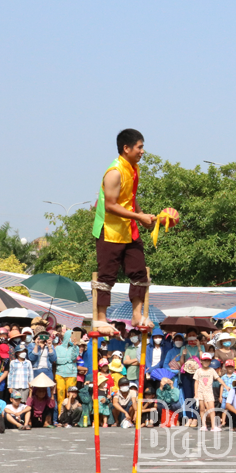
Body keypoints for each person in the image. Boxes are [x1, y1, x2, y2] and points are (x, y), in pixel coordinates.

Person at [92, 128, 158, 332]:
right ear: (126, 148)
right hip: (110, 229)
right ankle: (101, 319)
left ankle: (137, 316)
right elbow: (111, 205)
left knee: (139, 271)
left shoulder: (133, 168)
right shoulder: (114, 172)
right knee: (107, 275)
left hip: (129, 229)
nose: (142, 151)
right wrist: (139, 217)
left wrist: (142, 215)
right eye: (139, 147)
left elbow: (130, 198)